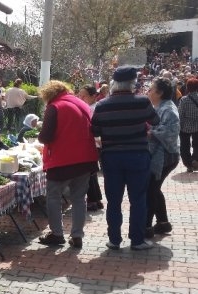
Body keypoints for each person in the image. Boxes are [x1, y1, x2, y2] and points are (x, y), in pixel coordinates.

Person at [91, 66, 160, 250]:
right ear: (132, 83)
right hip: (138, 156)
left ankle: (114, 239)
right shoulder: (142, 101)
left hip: (111, 157)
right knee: (138, 199)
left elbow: (95, 131)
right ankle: (137, 240)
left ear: (114, 83)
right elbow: (155, 120)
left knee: (114, 200)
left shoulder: (102, 105)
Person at [36, 80, 99, 249]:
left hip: (61, 160)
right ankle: (77, 235)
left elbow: (45, 137)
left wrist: (40, 135)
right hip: (85, 158)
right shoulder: (81, 104)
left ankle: (57, 233)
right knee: (79, 198)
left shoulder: (55, 106)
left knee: (53, 196)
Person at [145, 77, 180, 238]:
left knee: (151, 189)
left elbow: (170, 132)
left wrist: (150, 133)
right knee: (154, 188)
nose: (148, 92)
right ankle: (163, 222)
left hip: (166, 157)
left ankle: (146, 226)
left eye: (151, 89)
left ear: (159, 93)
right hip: (160, 156)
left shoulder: (169, 109)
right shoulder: (159, 107)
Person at [77, 84, 104, 211]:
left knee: (88, 172)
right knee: (91, 173)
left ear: (94, 96)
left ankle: (93, 200)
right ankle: (96, 199)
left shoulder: (94, 109)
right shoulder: (88, 107)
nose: (81, 98)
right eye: (80, 95)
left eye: (84, 96)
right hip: (91, 143)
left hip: (94, 143)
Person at [178, 77, 198, 172]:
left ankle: (188, 164)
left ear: (187, 87)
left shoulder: (184, 100)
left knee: (185, 146)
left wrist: (179, 126)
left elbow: (180, 114)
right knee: (197, 144)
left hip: (185, 126)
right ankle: (196, 160)